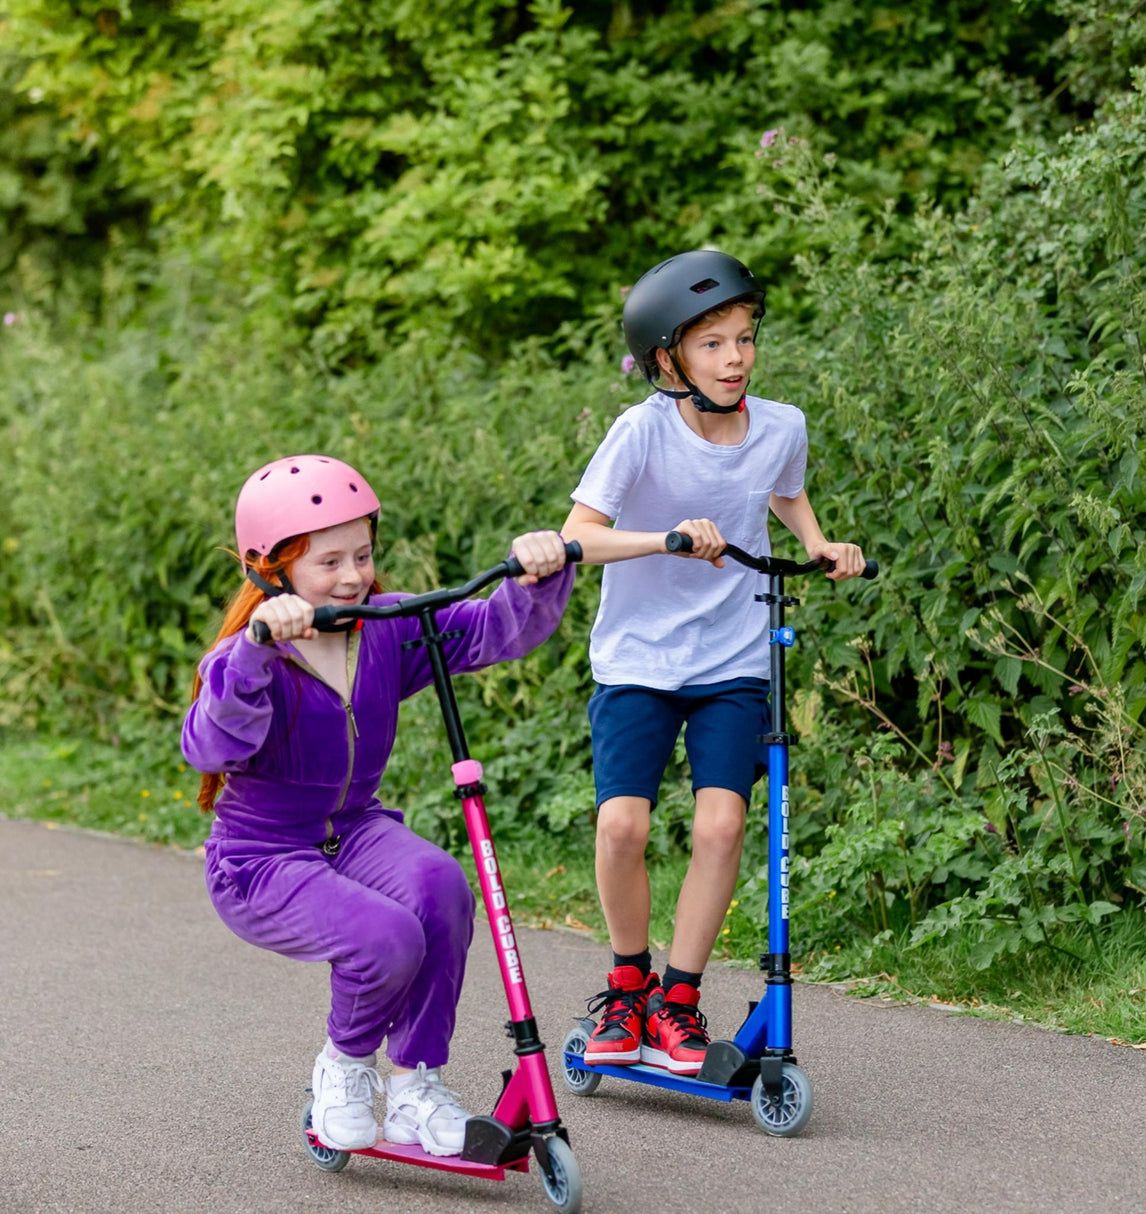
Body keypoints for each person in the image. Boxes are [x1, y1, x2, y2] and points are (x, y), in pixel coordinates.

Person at [182, 454, 574, 1154]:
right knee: (384, 937)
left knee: (441, 889)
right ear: (270, 569)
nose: (353, 577)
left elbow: (494, 629)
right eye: (328, 562)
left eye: (362, 555)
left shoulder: (385, 626)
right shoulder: (244, 659)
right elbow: (210, 746)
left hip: (356, 830)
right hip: (260, 858)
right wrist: (258, 650)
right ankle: (344, 1065)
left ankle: (416, 1087)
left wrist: (537, 576)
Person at [562, 250, 866, 1076]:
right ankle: (628, 986)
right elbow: (578, 534)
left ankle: (678, 1001)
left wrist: (818, 543)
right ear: (668, 361)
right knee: (622, 825)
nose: (736, 358)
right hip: (638, 658)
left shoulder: (782, 425)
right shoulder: (641, 432)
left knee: (723, 824)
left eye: (744, 339)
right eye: (712, 344)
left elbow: (782, 489)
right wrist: (665, 540)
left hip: (732, 656)